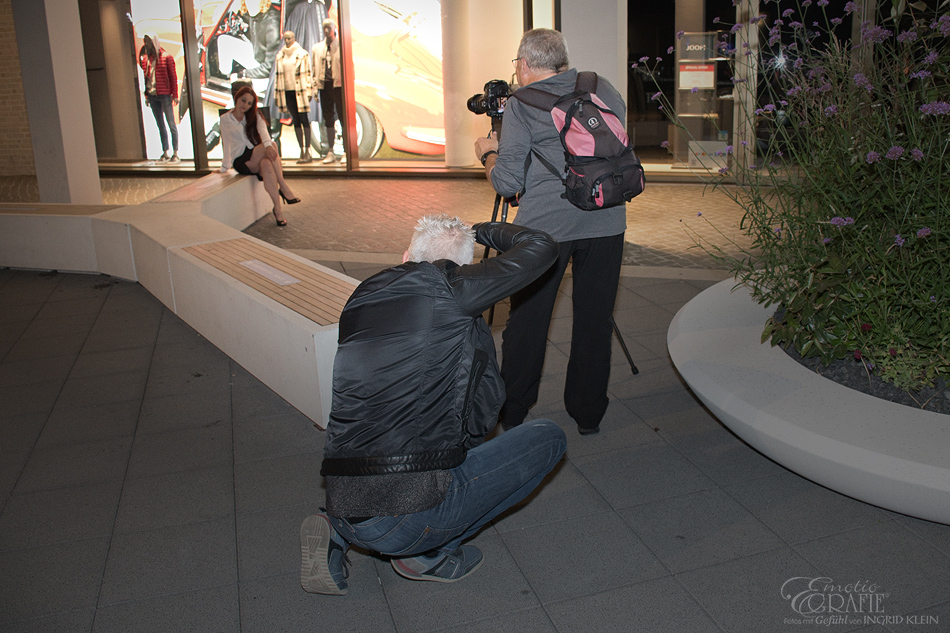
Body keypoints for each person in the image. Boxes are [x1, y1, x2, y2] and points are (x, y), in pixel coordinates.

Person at [300, 215, 565, 595]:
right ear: (466, 270)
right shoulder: (450, 288)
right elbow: (543, 247)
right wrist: (483, 230)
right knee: (548, 437)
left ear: (406, 255)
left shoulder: (363, 296)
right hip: (404, 516)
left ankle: (336, 530)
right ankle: (427, 553)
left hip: (342, 495)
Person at [473, 29, 628, 436]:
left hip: (545, 232)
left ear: (523, 65)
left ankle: (515, 412)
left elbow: (507, 183)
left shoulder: (522, 105)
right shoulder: (602, 87)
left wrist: (487, 153)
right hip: (607, 220)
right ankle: (588, 413)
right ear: (562, 59)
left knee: (528, 322)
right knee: (595, 320)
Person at [218, 85, 300, 226]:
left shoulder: (255, 115)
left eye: (249, 103)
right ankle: (283, 186)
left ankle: (278, 210)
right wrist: (225, 167)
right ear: (237, 98)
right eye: (243, 100)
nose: (245, 105)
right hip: (241, 160)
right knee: (271, 145)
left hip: (255, 155)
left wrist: (267, 146)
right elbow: (226, 142)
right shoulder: (225, 119)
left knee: (267, 164)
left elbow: (264, 133)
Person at [139, 32, 180, 163]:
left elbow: (173, 77)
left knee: (171, 124)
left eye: (149, 42)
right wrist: (146, 95)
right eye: (146, 42)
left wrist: (175, 95)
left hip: (165, 95)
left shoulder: (166, 57)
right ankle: (165, 151)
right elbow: (147, 78)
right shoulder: (147, 59)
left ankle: (175, 152)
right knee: (160, 125)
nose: (147, 45)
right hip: (153, 95)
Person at [274, 31, 314, 163]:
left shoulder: (302, 54)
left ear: (294, 38)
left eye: (289, 38)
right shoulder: (280, 55)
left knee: (304, 119)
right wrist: (276, 94)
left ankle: (307, 149)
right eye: (285, 39)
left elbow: (308, 74)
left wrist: (309, 91)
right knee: (296, 120)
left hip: (300, 90)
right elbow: (277, 76)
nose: (287, 41)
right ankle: (301, 150)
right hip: (287, 91)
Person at [311, 18, 345, 163]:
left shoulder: (341, 46)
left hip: (339, 86)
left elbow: (349, 67)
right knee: (328, 118)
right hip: (324, 86)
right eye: (324, 28)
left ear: (334, 28)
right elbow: (314, 69)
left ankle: (346, 151)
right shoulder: (317, 48)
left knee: (343, 117)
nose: (326, 31)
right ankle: (330, 150)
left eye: (328, 28)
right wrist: (314, 87)